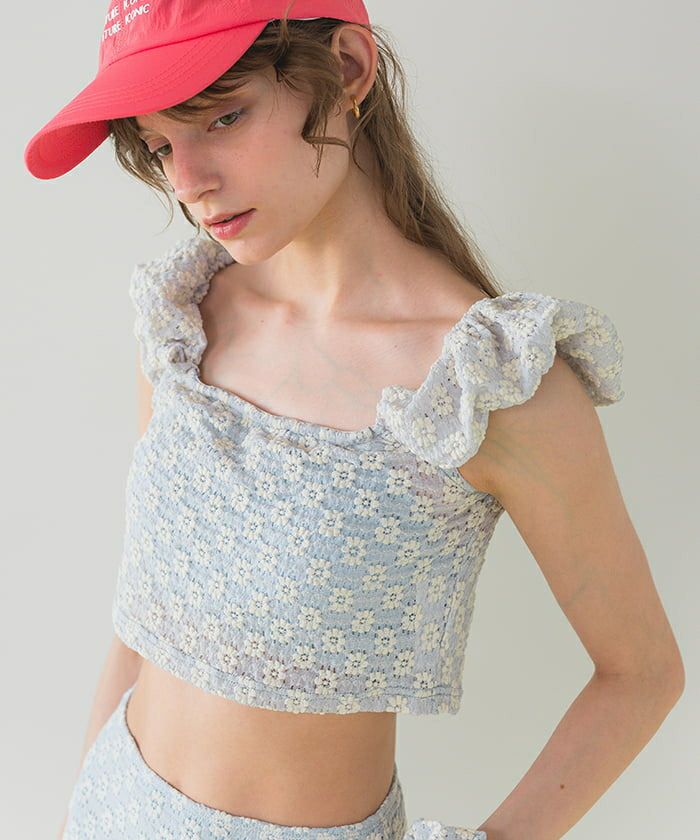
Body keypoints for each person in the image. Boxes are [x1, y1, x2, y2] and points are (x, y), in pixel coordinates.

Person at [24, 2, 685, 839]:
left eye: (223, 117)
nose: (188, 182)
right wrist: (80, 805)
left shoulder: (487, 384)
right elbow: (145, 616)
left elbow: (641, 673)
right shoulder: (184, 317)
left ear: (346, 67)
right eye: (159, 146)